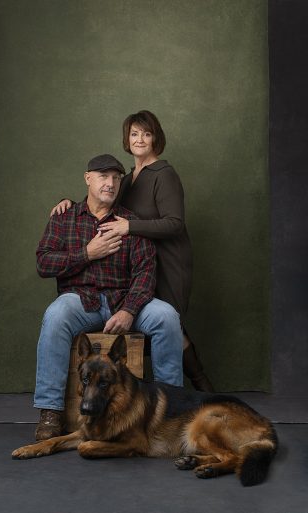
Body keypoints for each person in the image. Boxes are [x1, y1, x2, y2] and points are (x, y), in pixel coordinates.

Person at [50, 110, 213, 392]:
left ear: (155, 139)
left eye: (146, 134)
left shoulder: (164, 174)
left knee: (170, 323)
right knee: (161, 323)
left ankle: (201, 388)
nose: (140, 139)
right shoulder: (127, 177)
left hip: (168, 261)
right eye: (135, 133)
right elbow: (102, 201)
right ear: (127, 138)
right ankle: (184, 391)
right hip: (137, 262)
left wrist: (129, 227)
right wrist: (69, 202)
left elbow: (175, 223)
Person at [33, 154, 183, 441]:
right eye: (103, 176)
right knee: (55, 315)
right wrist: (88, 253)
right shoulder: (65, 218)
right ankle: (50, 411)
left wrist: (129, 310)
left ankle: (171, 408)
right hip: (80, 300)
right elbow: (44, 263)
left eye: (116, 177)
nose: (110, 183)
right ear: (88, 178)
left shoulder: (131, 222)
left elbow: (145, 272)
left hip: (124, 300)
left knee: (166, 316)